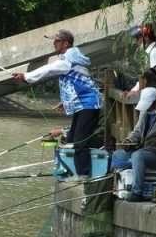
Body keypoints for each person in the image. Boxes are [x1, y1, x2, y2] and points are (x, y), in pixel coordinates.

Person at [12, 29, 101, 179]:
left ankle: (85, 177)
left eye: (57, 41)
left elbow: (49, 69)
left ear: (66, 43)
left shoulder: (68, 59)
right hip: (82, 104)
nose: (54, 43)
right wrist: (65, 102)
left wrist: (26, 76)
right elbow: (77, 82)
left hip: (88, 105)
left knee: (79, 144)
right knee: (73, 139)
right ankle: (80, 172)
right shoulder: (70, 57)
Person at [111, 86, 156, 202]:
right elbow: (137, 131)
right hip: (144, 150)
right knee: (117, 155)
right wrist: (129, 141)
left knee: (137, 156)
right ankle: (116, 186)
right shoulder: (144, 112)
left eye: (149, 105)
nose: (147, 108)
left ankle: (137, 192)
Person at [127, 23, 156, 94]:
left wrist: (137, 91)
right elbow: (145, 77)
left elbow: (155, 78)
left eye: (137, 38)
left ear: (147, 38)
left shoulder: (154, 51)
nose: (136, 42)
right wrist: (133, 90)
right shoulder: (148, 53)